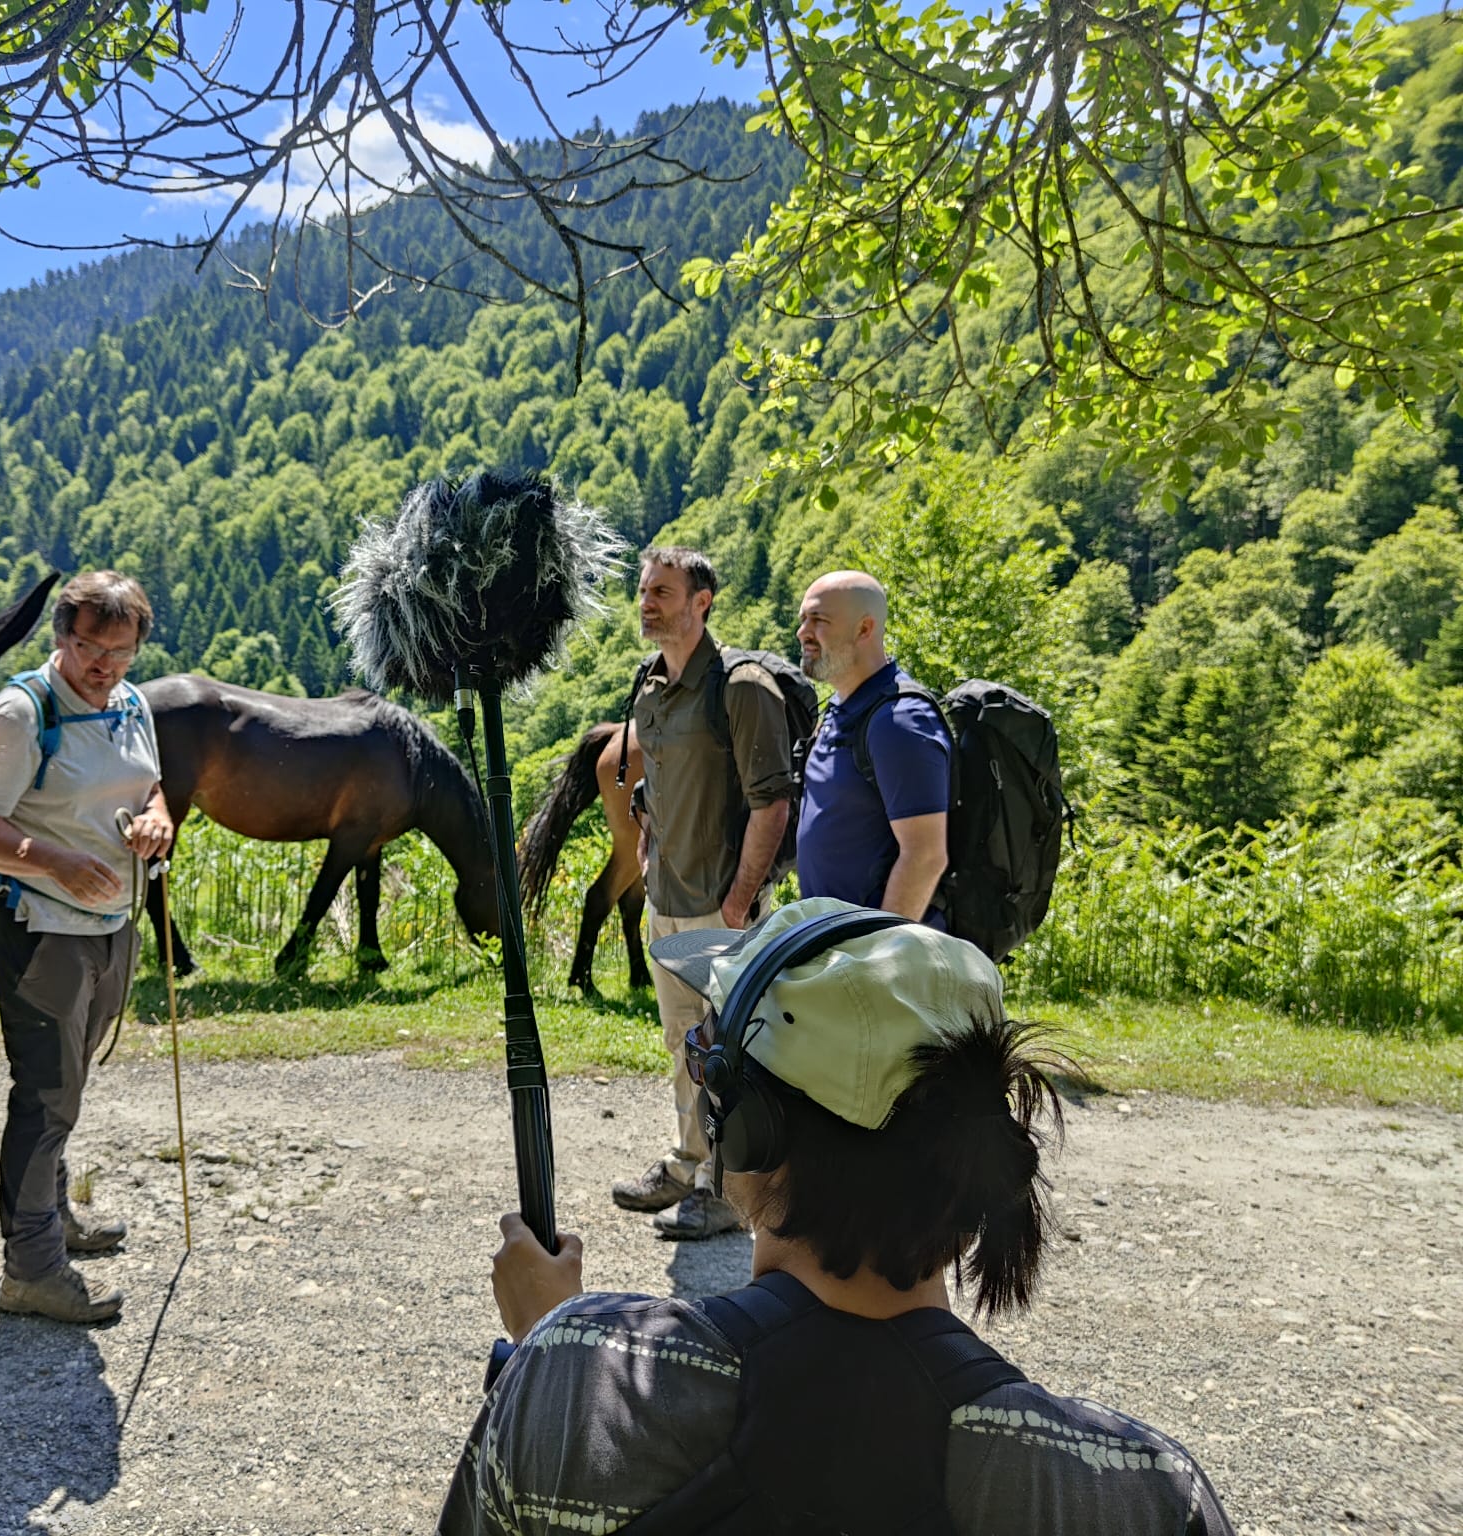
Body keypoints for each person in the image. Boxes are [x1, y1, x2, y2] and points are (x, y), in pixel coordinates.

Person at [440, 898, 1236, 1536]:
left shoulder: (570, 1373)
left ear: (748, 1131)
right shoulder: (1146, 1494)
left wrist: (551, 1348)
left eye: (708, 1059)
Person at [0, 570, 174, 1324]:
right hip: (41, 928)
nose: (106, 666)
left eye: (121, 652)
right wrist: (53, 860)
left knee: (68, 1087)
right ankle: (30, 1270)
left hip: (112, 924)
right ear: (62, 637)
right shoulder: (21, 715)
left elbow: (149, 788)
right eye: (92, 648)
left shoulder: (131, 704)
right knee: (46, 1095)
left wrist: (157, 819)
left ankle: (51, 1222)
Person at [612, 547, 795, 1242]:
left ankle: (727, 1189)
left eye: (662, 592)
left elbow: (771, 803)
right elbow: (658, 777)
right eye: (643, 591)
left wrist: (739, 901)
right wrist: (647, 837)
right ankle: (690, 1164)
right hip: (667, 898)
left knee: (729, 1050)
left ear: (702, 602)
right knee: (682, 1041)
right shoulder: (652, 684)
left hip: (721, 906)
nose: (646, 603)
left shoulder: (742, 687)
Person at [795, 569, 952, 924]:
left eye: (819, 620)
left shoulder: (899, 721)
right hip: (833, 941)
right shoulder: (843, 708)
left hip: (871, 950)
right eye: (803, 619)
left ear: (864, 629)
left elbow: (925, 856)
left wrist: (880, 948)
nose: (803, 632)